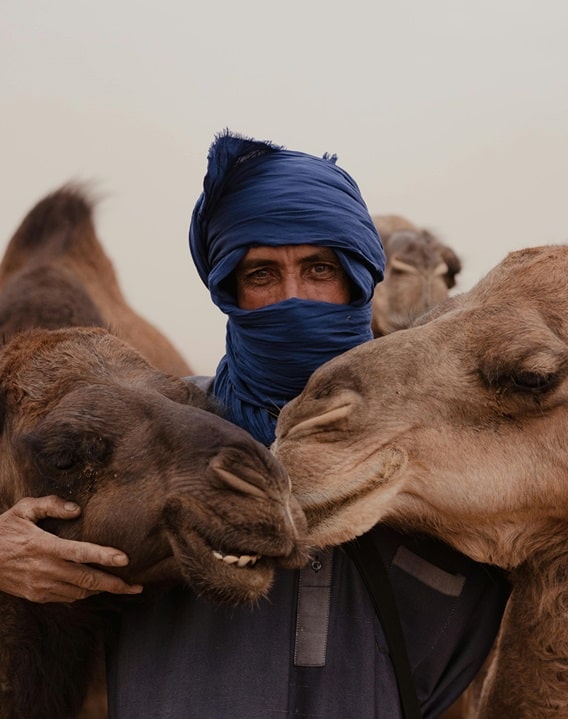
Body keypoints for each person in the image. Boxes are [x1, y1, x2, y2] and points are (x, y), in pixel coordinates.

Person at [103, 130, 510, 719]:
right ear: (230, 290)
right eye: (262, 275)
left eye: (319, 269)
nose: (294, 298)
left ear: (356, 282)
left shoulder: (436, 443)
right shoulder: (154, 433)